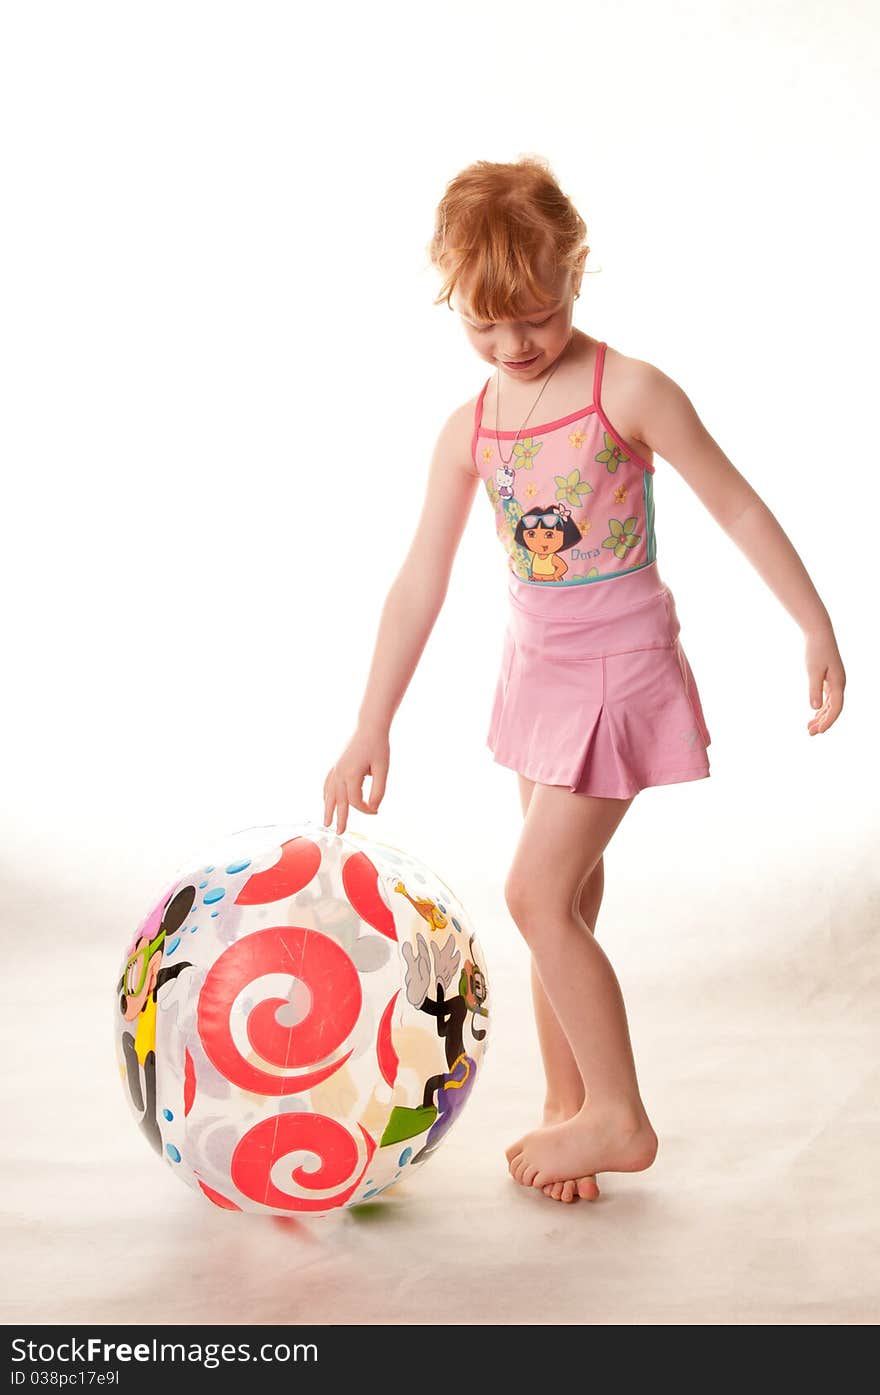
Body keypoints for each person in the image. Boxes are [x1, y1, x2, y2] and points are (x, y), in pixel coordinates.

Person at [322, 155, 846, 1205]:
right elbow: (418, 578)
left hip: (619, 672)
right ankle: (569, 1109)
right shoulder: (471, 427)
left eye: (537, 315)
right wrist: (368, 724)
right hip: (537, 673)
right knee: (566, 898)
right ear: (450, 298)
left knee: (531, 895)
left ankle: (618, 1116)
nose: (515, 345)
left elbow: (736, 504)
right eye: (486, 326)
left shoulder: (630, 390)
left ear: (574, 272)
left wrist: (813, 622)